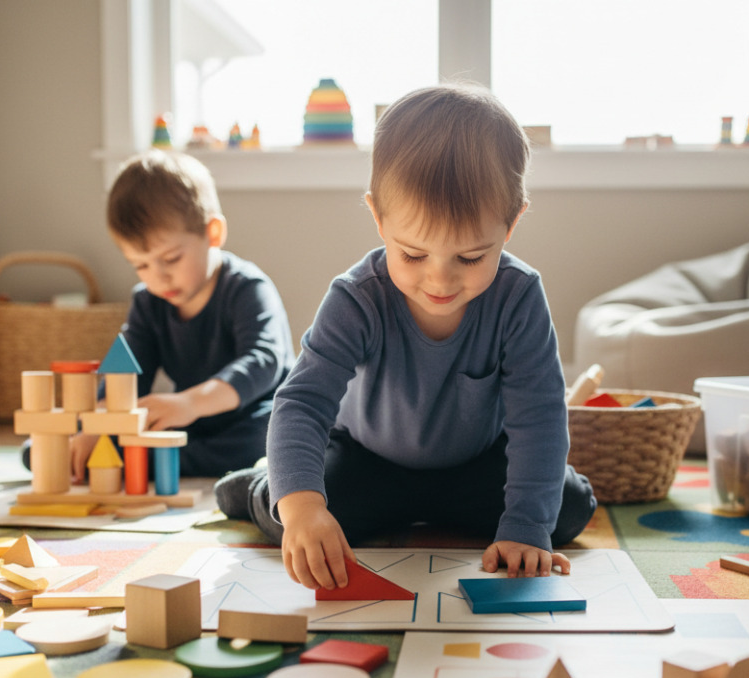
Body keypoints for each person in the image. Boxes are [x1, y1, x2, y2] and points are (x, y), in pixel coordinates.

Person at [216, 84, 597, 590]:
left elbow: (540, 416)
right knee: (303, 516)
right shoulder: (357, 298)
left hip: (475, 465)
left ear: (512, 223)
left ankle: (493, 514)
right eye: (414, 255)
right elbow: (303, 402)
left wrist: (526, 528)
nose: (440, 280)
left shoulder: (519, 296)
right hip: (369, 461)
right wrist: (303, 507)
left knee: (565, 512)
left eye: (470, 257)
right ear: (377, 217)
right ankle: (264, 483)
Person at [30, 149, 295, 481]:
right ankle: (159, 457)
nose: (158, 277)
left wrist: (190, 403)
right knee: (44, 447)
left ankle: (157, 459)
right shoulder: (147, 302)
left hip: (250, 415)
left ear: (212, 234)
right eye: (141, 265)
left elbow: (264, 362)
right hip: (190, 422)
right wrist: (96, 425)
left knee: (274, 434)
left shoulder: (247, 288)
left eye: (171, 259)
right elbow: (127, 375)